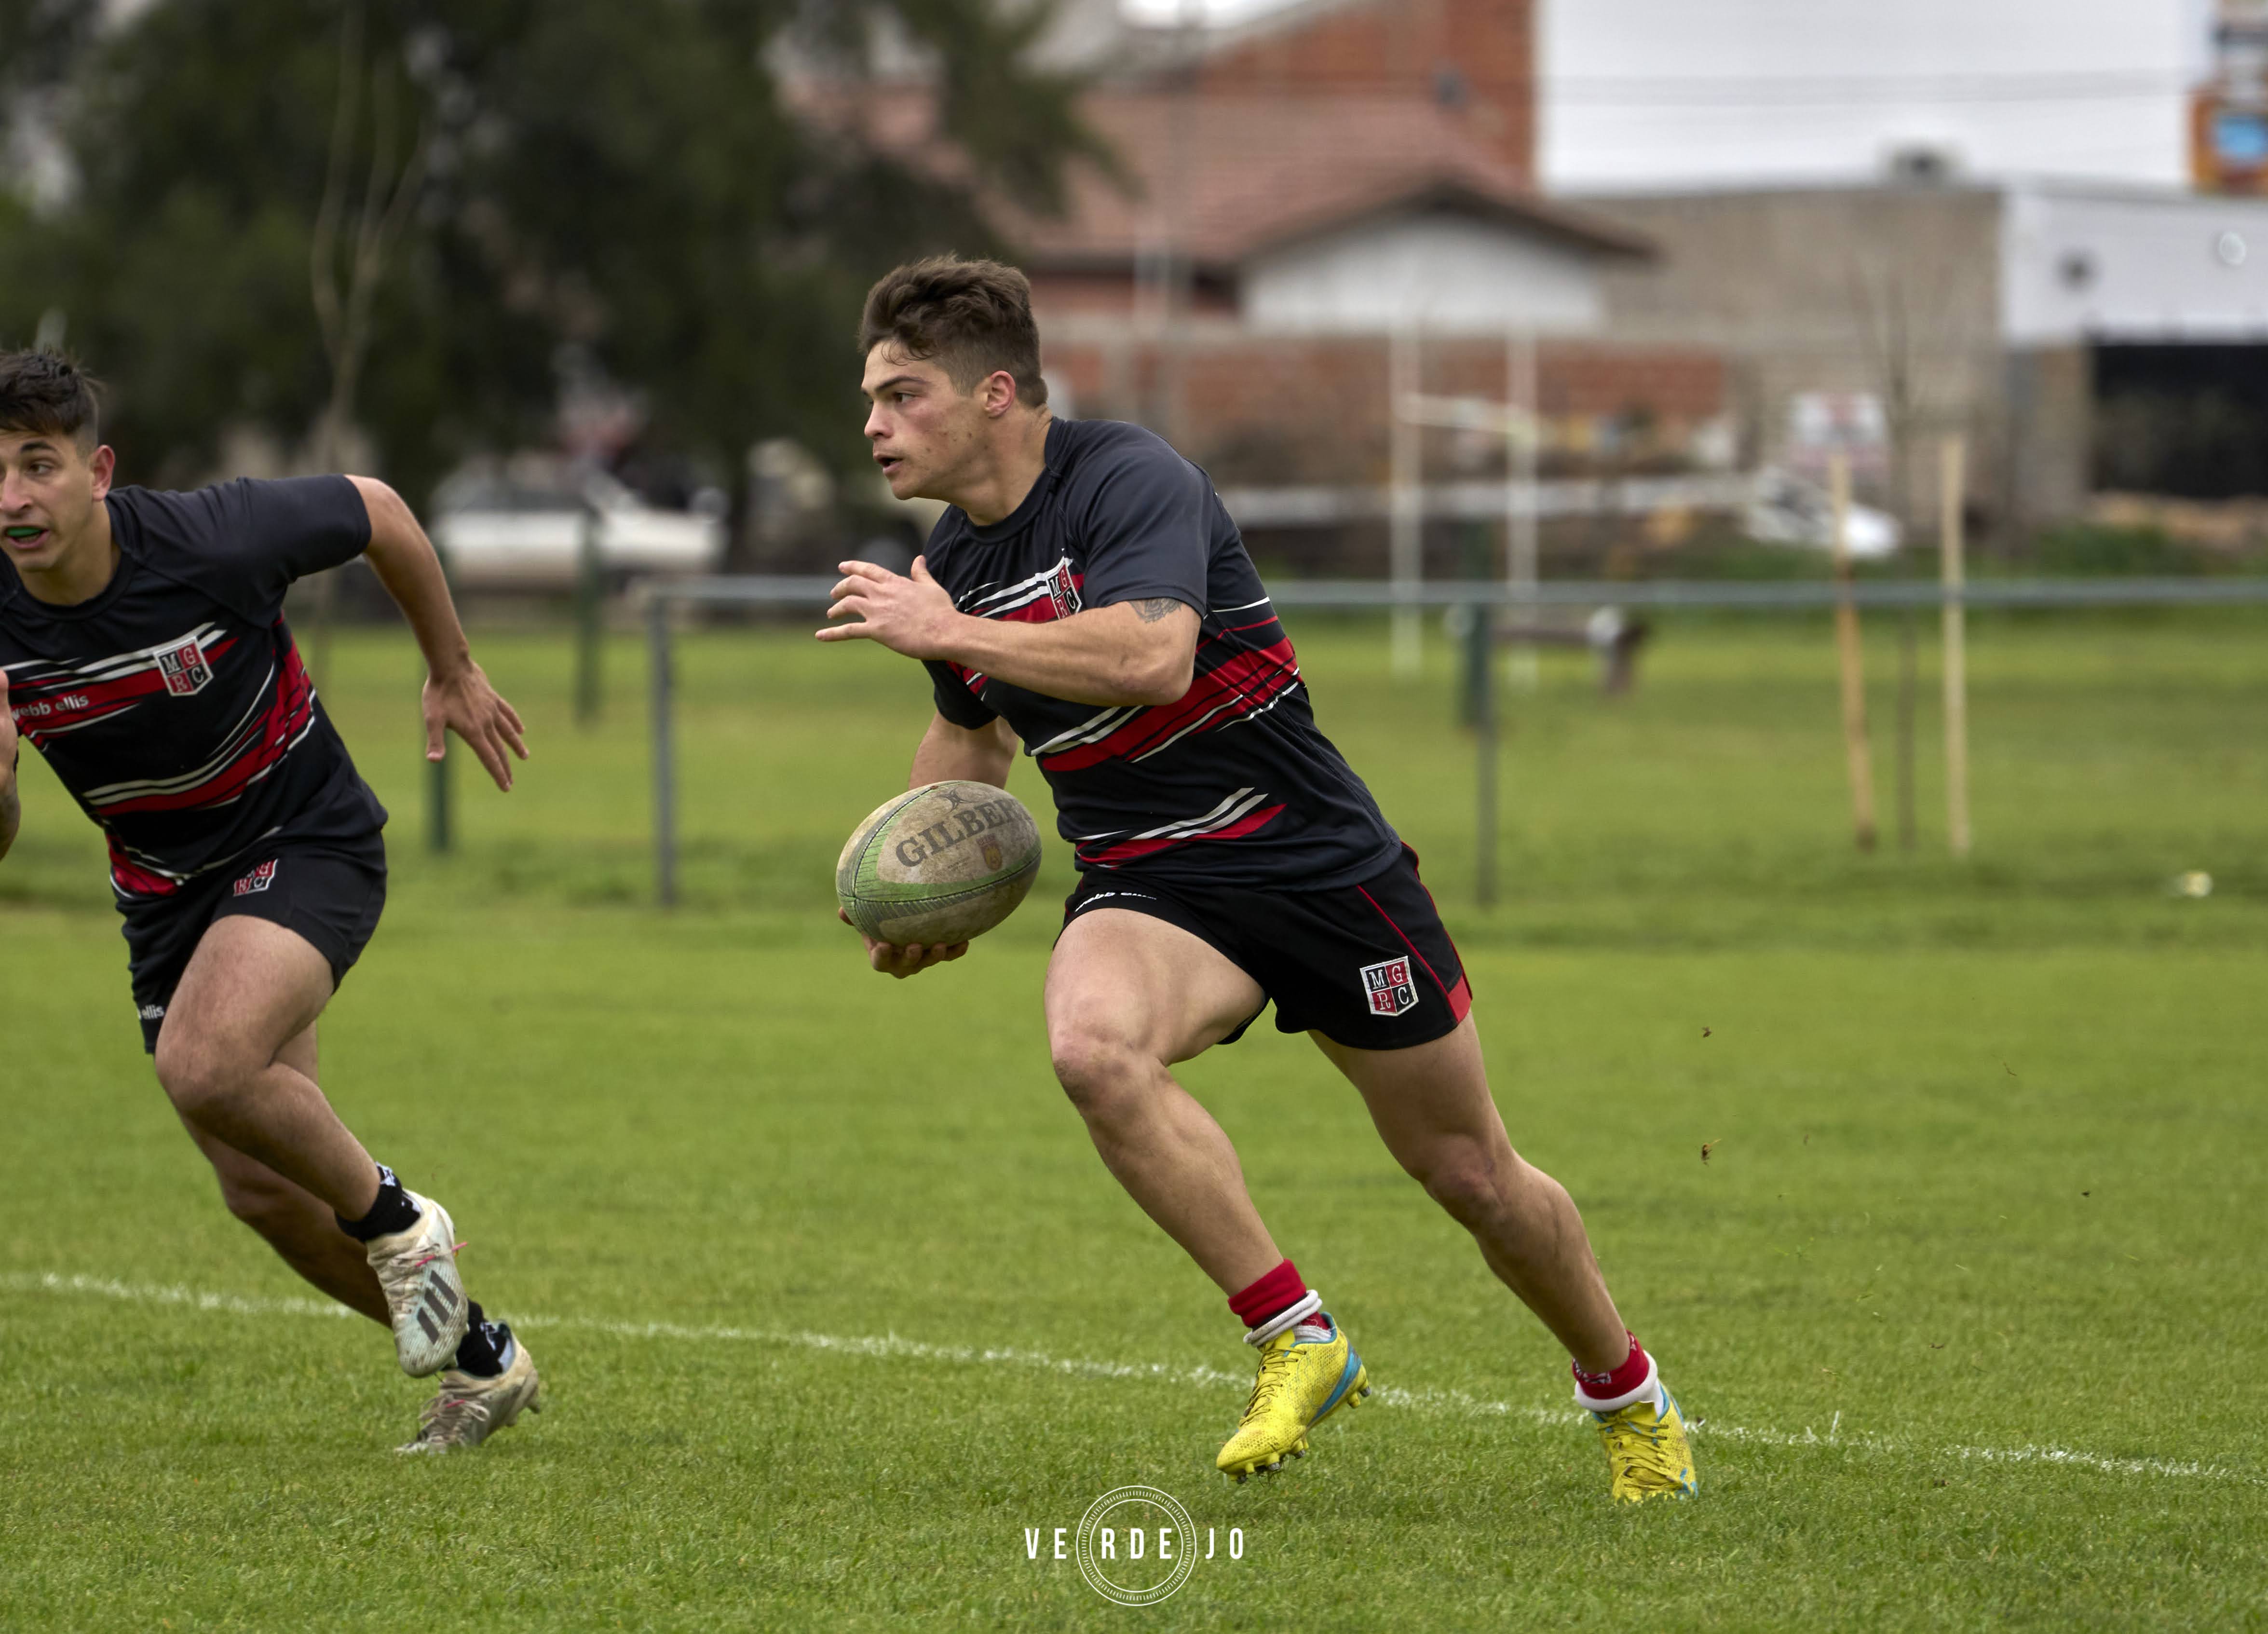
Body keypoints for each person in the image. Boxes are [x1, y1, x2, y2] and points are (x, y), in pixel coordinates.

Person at [819, 258, 1695, 1501]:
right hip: (1152, 883)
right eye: (872, 398)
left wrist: (950, 629)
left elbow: (1156, 653)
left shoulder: (1129, 479)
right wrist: (919, 884)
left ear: (996, 392)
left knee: (1472, 1175)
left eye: (903, 395)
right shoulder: (951, 565)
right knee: (1091, 1048)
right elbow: (974, 741)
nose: (874, 424)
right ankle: (1296, 1334)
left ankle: (1629, 1392)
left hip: (1316, 864)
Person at [0, 352, 540, 1454]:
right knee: (260, 1189)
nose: (12, 497)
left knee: (202, 1060)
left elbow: (380, 512)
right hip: (162, 893)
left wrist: (450, 663)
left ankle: (401, 1220)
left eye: (37, 464)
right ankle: (487, 1359)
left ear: (96, 470)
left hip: (305, 838)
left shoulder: (211, 539)